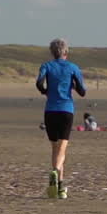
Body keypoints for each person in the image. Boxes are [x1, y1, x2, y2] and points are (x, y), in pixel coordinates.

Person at [35, 38, 86, 199]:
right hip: (66, 110)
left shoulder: (47, 66)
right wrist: (73, 85)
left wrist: (45, 92)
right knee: (62, 149)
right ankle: (55, 172)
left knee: (55, 148)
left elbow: (39, 83)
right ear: (66, 52)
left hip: (50, 110)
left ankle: (59, 187)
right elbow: (82, 90)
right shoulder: (72, 67)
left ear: (52, 52)